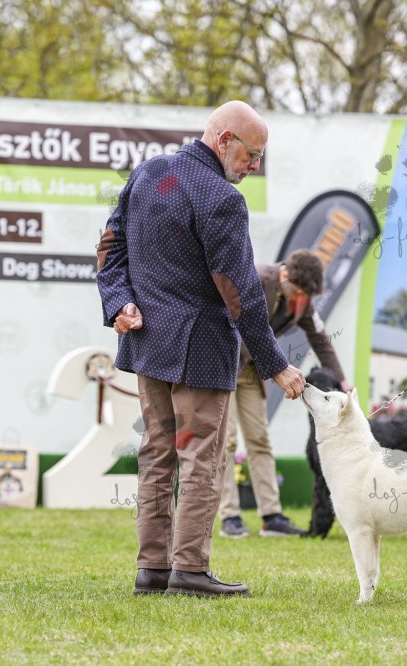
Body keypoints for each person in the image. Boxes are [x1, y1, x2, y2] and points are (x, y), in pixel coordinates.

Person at [96, 100, 306, 597]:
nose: (254, 167)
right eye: (252, 155)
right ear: (225, 140)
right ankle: (189, 569)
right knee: (200, 459)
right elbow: (241, 292)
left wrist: (120, 302)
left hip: (148, 344)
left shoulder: (148, 174)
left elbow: (109, 248)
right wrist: (276, 365)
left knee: (156, 455)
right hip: (201, 350)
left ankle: (152, 568)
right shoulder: (221, 198)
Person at [218, 250, 352, 539]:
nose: (301, 299)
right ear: (285, 275)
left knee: (260, 440)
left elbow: (320, 340)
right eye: (299, 291)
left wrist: (342, 381)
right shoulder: (255, 277)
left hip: (253, 372)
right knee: (225, 442)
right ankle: (230, 516)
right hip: (224, 364)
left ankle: (271, 516)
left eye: (307, 295)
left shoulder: (303, 300)